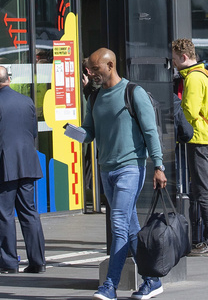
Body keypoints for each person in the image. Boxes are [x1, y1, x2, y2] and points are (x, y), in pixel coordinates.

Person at [82, 48, 166, 300]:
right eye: (90, 69)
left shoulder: (133, 92)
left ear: (110, 66)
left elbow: (150, 132)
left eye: (95, 69)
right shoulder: (94, 98)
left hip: (130, 167)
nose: (91, 74)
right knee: (130, 228)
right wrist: (76, 133)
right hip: (106, 169)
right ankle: (151, 280)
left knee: (118, 225)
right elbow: (89, 131)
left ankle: (110, 286)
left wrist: (159, 166)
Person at [0, 65, 47, 274]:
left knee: (4, 215)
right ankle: (38, 261)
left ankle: (9, 262)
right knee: (29, 212)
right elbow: (32, 132)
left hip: (2, 166)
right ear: (9, 80)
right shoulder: (27, 101)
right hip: (27, 163)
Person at [171, 39, 208, 255]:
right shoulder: (204, 74)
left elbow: (189, 111)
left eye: (174, 59)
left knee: (203, 190)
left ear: (184, 57)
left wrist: (176, 110)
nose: (173, 63)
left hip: (199, 138)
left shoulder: (193, 78)